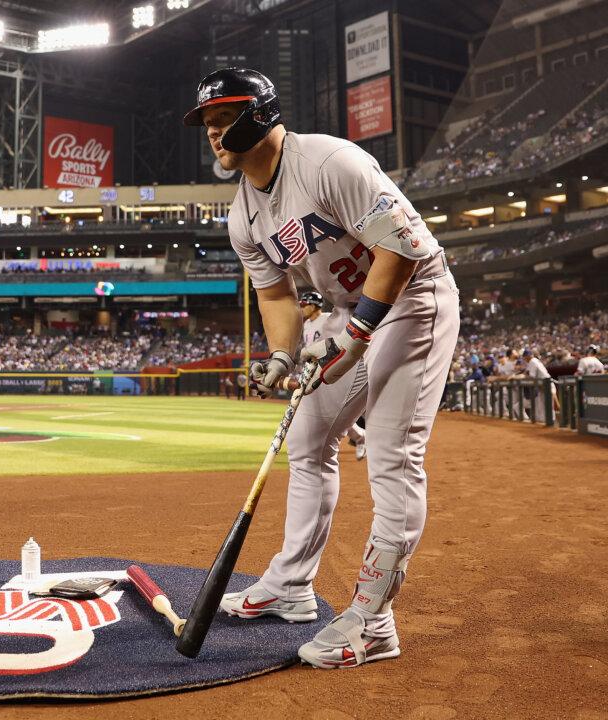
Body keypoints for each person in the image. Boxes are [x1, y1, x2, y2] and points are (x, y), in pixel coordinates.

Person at [185, 67, 460, 668]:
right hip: (342, 310)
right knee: (306, 440)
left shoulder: (328, 162)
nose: (213, 132)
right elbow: (277, 294)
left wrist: (358, 336)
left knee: (391, 454)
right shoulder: (243, 216)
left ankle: (374, 620)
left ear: (260, 114)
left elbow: (402, 245)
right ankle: (291, 586)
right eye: (207, 123)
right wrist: (282, 353)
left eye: (223, 118)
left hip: (413, 300)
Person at [299, 290, 367, 461]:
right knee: (317, 412)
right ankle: (357, 436)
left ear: (314, 305)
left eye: (305, 305)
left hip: (330, 368)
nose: (302, 308)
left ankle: (359, 437)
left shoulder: (328, 318)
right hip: (312, 370)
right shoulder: (306, 324)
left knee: (335, 412)